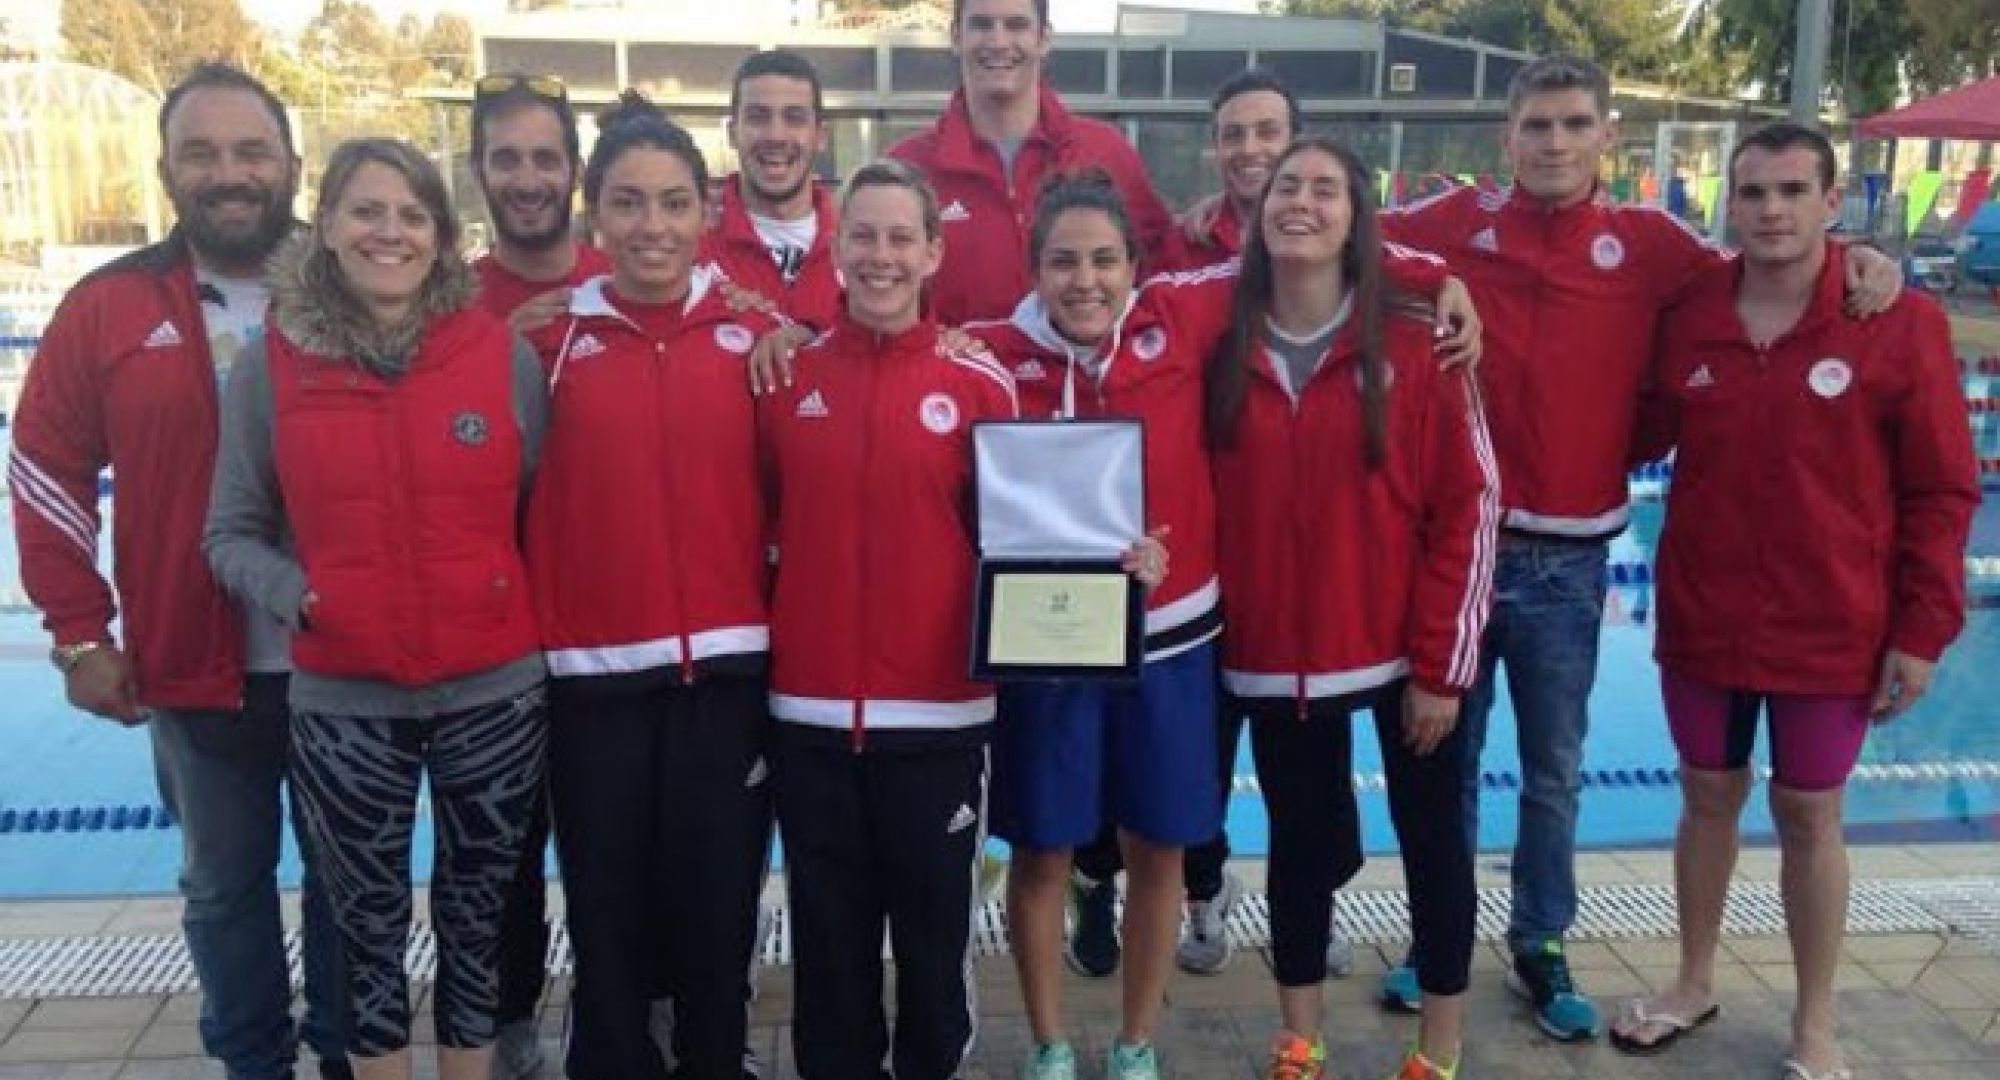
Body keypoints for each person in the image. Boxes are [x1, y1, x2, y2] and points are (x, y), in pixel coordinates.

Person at [1372, 54, 1900, 1037]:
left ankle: (1540, 938)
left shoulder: (1653, 245)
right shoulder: (1450, 223)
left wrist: (1859, 256)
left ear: (1607, 136)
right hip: (1455, 554)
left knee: (1554, 770)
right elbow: (1333, 233)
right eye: (1537, 125)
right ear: (1506, 137)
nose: (1555, 143)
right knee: (1444, 763)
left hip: (1568, 563)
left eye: (1575, 124)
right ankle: (1434, 939)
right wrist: (1426, 276)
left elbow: (1769, 261)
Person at [761, 159, 1148, 1080]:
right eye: (863, 236)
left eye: (902, 237)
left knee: (934, 952)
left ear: (934, 252)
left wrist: (1118, 563)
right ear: (837, 249)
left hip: (939, 717)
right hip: (809, 714)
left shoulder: (980, 381)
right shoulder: (783, 376)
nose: (881, 256)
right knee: (830, 948)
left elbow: (1035, 540)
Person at [1609, 122, 1978, 1080]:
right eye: (1753, 192)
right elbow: (1634, 431)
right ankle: (1693, 980)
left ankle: (1816, 1022)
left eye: (1791, 190)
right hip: (1705, 610)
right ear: (1729, 203)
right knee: (1706, 797)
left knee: (1811, 812)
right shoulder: (1692, 313)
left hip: (1832, 618)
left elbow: (1942, 488)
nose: (1771, 210)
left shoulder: (1896, 320)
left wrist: (1923, 629)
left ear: (1832, 202)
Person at [9, 62, 351, 1080]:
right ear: (165, 169)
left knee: (350, 882)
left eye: (251, 151)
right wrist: (78, 633)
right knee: (222, 886)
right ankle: (254, 1064)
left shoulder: (357, 287)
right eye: (200, 152)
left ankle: (346, 1054)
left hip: (346, 658)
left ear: (292, 165)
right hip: (195, 664)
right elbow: (45, 466)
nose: (228, 172)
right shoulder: (109, 307)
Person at [204, 137, 550, 1080]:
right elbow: (229, 533)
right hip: (345, 698)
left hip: (495, 691)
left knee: (478, 914)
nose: (389, 232)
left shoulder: (500, 355)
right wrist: (303, 597)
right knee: (364, 924)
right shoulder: (271, 366)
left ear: (440, 236)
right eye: (366, 211)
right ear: (327, 226)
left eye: (411, 214)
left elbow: (537, 504)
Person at [1207, 134, 1498, 1080]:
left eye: (1325, 189)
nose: (1301, 202)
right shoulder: (1220, 339)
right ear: (1257, 214)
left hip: (1402, 650)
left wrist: (1441, 670)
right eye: (1286, 187)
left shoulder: (1419, 340)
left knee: (1434, 847)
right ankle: (1301, 1036)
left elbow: (1469, 505)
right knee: (1299, 847)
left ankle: (1438, 1048)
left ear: (1356, 216)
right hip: (1276, 654)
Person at [523, 91, 776, 1080]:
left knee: (719, 909)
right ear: (594, 215)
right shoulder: (544, 343)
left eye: (673, 203)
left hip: (728, 675)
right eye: (627, 203)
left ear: (706, 210)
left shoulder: (758, 335)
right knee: (606, 913)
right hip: (592, 683)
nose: (652, 227)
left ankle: (715, 1061)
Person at [465, 68, 601, 1076]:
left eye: (544, 158)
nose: (526, 177)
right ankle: (510, 1028)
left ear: (573, 170)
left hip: (601, 625)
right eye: (505, 158)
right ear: (477, 170)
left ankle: (626, 1013)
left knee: (611, 847)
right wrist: (486, 361)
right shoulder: (447, 303)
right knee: (500, 852)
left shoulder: (628, 276)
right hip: (491, 633)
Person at [889, 0, 1177, 324]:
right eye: (982, 25)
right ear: (956, 37)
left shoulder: (1107, 152)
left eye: (1016, 25)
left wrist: (1207, 218)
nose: (998, 41)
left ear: (1044, 38)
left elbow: (1165, 275)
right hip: (953, 360)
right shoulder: (907, 170)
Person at [708, 49, 843, 330]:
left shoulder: (863, 242)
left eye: (794, 118)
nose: (775, 135)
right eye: (758, 117)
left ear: (820, 136)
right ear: (732, 133)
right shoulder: (690, 242)